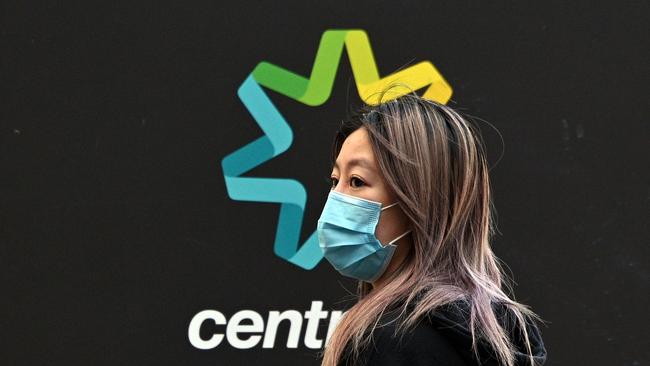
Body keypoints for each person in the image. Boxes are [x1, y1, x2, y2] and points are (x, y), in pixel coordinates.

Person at [316, 89, 547, 366]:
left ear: (420, 200)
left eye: (356, 181)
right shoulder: (506, 335)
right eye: (334, 180)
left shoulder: (385, 340)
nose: (336, 198)